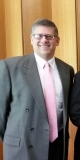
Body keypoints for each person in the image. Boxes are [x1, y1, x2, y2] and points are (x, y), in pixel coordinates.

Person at [0, 18, 74, 160]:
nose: (44, 40)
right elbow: (1, 113)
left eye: (49, 36)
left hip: (57, 145)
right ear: (31, 39)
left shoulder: (67, 70)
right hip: (23, 147)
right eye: (38, 36)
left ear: (57, 41)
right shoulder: (9, 67)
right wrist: (13, 140)